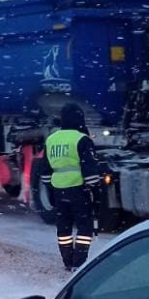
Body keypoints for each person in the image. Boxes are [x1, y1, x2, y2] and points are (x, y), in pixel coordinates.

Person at [40, 105, 101, 270]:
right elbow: (91, 172)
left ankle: (67, 260)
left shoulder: (52, 139)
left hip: (59, 190)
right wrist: (94, 190)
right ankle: (79, 262)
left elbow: (44, 171)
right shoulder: (82, 139)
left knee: (64, 225)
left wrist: (51, 190)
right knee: (84, 225)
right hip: (78, 189)